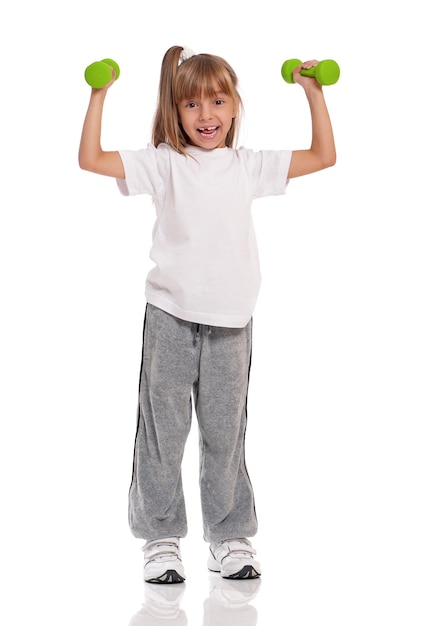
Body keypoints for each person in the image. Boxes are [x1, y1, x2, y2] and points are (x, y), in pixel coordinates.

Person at [79, 45, 336, 584]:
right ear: (174, 112)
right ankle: (160, 539)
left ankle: (229, 537)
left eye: (217, 101)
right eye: (191, 105)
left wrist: (312, 92)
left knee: (225, 434)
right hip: (170, 318)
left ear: (235, 107)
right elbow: (91, 159)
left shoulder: (248, 166)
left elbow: (323, 156)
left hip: (232, 323)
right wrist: (98, 93)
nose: (206, 116)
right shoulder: (164, 163)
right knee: (162, 435)